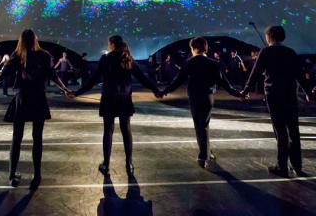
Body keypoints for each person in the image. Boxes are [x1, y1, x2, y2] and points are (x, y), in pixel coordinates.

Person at [0, 29, 71, 190]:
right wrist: (65, 89)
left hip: (22, 97)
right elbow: (53, 76)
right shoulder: (44, 55)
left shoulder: (17, 55)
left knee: (17, 137)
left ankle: (12, 174)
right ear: (35, 39)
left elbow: (3, 75)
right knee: (38, 138)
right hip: (38, 97)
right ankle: (37, 175)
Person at [70, 35, 161, 176]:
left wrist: (78, 92)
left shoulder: (106, 58)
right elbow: (142, 78)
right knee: (126, 130)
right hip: (124, 98)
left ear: (112, 44)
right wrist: (156, 90)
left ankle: (106, 164)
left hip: (108, 98)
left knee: (108, 131)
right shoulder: (127, 58)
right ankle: (129, 164)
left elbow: (94, 79)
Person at [241, 26, 314, 178]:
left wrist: (246, 90)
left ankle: (282, 167)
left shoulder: (266, 52)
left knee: (280, 130)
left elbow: (255, 73)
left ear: (269, 37)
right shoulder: (290, 52)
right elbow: (299, 75)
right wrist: (308, 92)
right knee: (294, 130)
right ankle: (297, 167)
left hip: (274, 95)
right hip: (290, 94)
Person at [161, 37, 243, 168]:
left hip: (194, 97)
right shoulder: (213, 63)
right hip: (208, 97)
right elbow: (225, 83)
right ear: (205, 48)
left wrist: (164, 91)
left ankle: (203, 155)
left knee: (199, 125)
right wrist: (238, 93)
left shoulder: (188, 62)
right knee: (204, 125)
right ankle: (206, 153)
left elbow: (177, 81)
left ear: (193, 48)